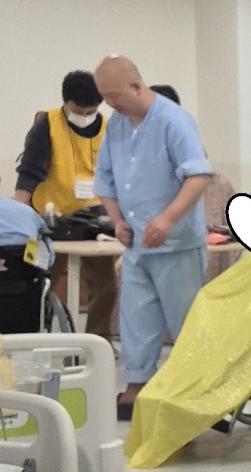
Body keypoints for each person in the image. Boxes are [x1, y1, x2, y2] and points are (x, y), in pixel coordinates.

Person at [91, 55, 212, 419]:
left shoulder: (174, 120)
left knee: (185, 318)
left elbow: (198, 176)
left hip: (176, 244)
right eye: (105, 97)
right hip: (136, 244)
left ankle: (194, 389)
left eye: (115, 95)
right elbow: (105, 177)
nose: (110, 104)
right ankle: (138, 384)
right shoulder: (116, 125)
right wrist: (117, 221)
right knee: (136, 315)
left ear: (136, 86)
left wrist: (169, 218)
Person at [13, 67, 115, 336]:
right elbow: (30, 171)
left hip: (94, 222)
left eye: (91, 111)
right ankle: (33, 337)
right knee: (37, 282)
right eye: (79, 111)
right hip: (48, 221)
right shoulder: (46, 124)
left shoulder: (109, 127)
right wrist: (17, 213)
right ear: (65, 102)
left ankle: (99, 344)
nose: (86, 116)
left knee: (106, 288)